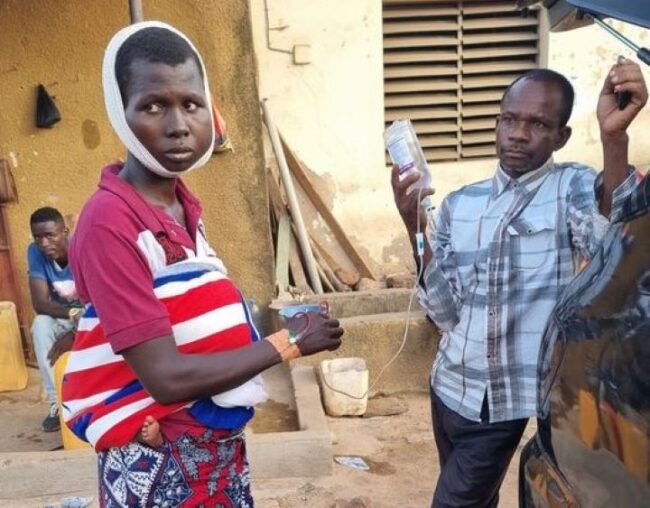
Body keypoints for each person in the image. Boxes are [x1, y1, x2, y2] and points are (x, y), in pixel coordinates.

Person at [61, 21, 342, 507]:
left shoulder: (182, 209)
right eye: (153, 106)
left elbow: (190, 315)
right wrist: (290, 341)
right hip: (159, 464)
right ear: (120, 112)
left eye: (190, 104)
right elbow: (165, 376)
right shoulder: (111, 222)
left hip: (213, 456)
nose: (177, 125)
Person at [391, 60, 647, 507]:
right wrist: (412, 221)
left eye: (537, 124)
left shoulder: (571, 188)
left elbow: (611, 240)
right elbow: (445, 313)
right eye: (510, 119)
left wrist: (614, 138)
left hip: (503, 397)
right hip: (450, 386)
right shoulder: (459, 204)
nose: (518, 133)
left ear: (560, 136)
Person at [27, 206, 82, 432]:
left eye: (50, 235)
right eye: (38, 237)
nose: (44, 243)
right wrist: (72, 315)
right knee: (40, 325)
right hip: (66, 316)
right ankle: (56, 403)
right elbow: (40, 304)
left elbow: (102, 299)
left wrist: (75, 333)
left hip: (93, 315)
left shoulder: (82, 248)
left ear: (65, 231)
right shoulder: (35, 252)